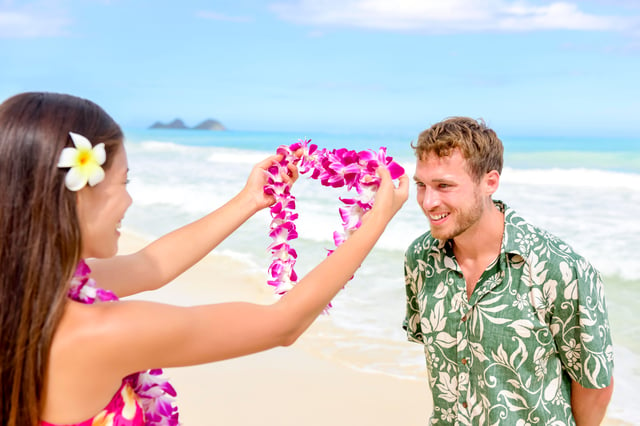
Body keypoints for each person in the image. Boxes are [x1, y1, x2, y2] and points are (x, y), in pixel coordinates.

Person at [0, 91, 409, 426]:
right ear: (78, 192)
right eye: (124, 182)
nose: (129, 199)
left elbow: (151, 265)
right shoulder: (99, 334)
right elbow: (282, 325)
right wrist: (373, 223)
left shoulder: (30, 292)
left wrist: (251, 200)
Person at [403, 117, 614, 425]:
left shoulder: (560, 267)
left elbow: (595, 386)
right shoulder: (420, 258)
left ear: (490, 182)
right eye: (421, 185)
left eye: (444, 186)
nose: (428, 202)